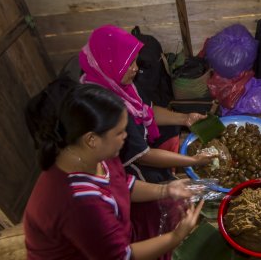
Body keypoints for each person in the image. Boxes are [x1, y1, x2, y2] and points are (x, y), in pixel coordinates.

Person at [18, 84, 204, 260]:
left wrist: (167, 188)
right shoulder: (79, 201)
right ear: (91, 139)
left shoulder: (94, 156)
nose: (126, 136)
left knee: (165, 205)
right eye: (119, 132)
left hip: (99, 246)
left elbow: (124, 185)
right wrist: (176, 237)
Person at [79, 25, 215, 183]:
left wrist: (186, 119)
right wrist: (194, 161)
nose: (136, 69)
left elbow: (147, 109)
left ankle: (168, 166)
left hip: (138, 140)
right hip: (125, 165)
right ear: (110, 64)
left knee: (171, 127)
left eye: (135, 61)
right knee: (157, 179)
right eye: (130, 64)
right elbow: (144, 157)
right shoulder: (110, 108)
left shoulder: (119, 83)